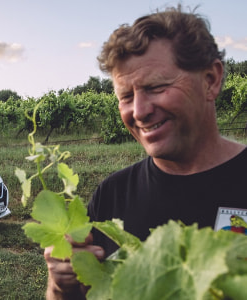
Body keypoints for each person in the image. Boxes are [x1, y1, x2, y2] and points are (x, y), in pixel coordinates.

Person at [44, 5, 247, 299]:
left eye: (156, 87)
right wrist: (60, 287)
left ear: (211, 80)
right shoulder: (112, 194)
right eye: (126, 96)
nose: (139, 111)